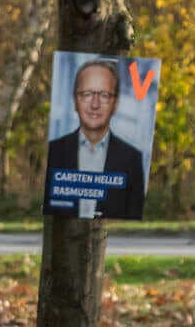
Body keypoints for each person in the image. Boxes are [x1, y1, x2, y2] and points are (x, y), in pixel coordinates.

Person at [45, 58, 147, 219]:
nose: (94, 104)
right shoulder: (54, 152)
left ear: (115, 103)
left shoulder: (132, 159)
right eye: (86, 94)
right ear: (75, 100)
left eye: (104, 95)